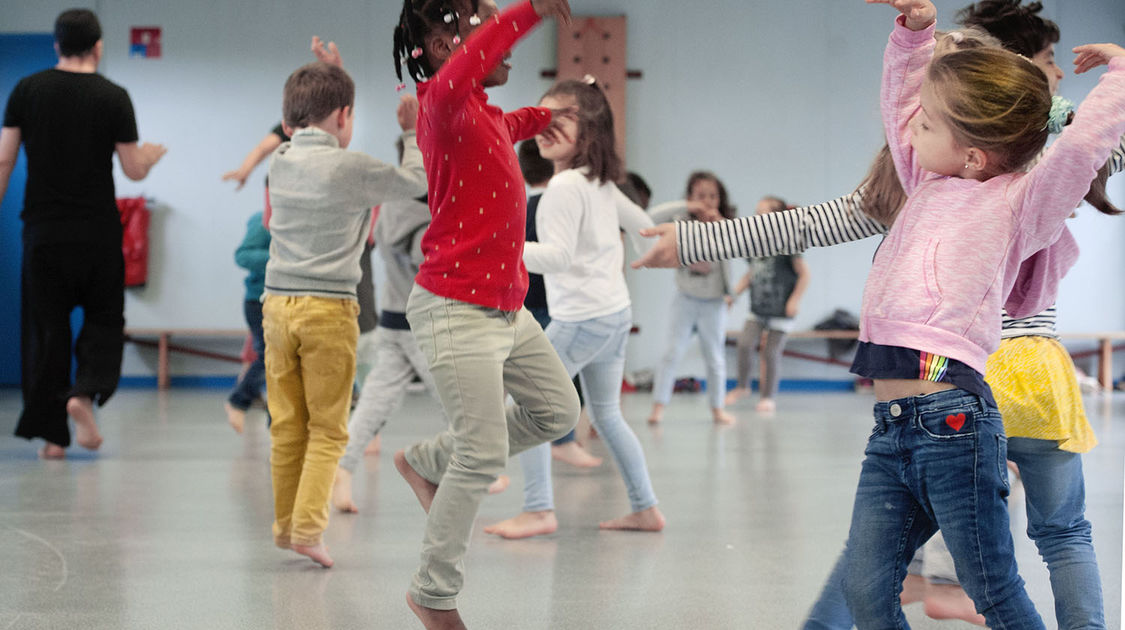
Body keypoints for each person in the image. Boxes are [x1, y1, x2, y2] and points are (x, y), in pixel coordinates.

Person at [390, 1, 578, 627]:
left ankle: (425, 462)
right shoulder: (440, 102)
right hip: (454, 306)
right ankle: (432, 593)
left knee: (558, 410)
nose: (508, 47)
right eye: (487, 32)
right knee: (484, 449)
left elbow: (508, 121)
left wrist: (548, 117)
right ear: (446, 49)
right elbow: (477, 59)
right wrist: (527, 10)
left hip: (506, 308)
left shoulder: (479, 113)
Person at [483, 78, 664, 540]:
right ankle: (645, 508)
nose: (543, 124)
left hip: (582, 319)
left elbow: (558, 257)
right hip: (613, 314)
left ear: (590, 131)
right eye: (540, 115)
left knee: (529, 403)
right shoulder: (597, 182)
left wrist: (498, 249)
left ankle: (539, 509)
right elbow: (646, 228)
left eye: (559, 117)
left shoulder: (564, 186)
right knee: (605, 414)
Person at [263, 60, 427, 568]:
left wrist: (326, 76)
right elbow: (415, 183)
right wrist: (412, 133)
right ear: (345, 116)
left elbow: (309, 137)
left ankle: (287, 526)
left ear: (291, 120)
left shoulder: (281, 161)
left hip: (276, 307)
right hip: (328, 312)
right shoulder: (352, 169)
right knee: (330, 428)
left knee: (288, 424)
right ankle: (309, 530)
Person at [0, 9, 166, 459]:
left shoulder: (25, 90)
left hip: (43, 233)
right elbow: (132, 170)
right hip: (96, 234)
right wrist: (150, 156)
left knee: (47, 333)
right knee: (104, 323)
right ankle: (83, 394)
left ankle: (54, 437)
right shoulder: (113, 96)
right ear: (98, 46)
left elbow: (4, 161)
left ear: (56, 45)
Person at [518, 138, 601, 469]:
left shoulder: (520, 207)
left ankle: (565, 437)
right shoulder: (557, 205)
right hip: (555, 305)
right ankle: (563, 440)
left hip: (526, 302)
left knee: (544, 377)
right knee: (558, 376)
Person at [646, 171, 736, 426]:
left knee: (714, 357)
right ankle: (658, 406)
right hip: (685, 299)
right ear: (689, 198)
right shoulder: (681, 222)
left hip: (714, 302)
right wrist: (686, 207)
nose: (707, 201)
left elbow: (730, 256)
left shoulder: (726, 225)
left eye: (713, 196)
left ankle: (717, 409)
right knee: (671, 353)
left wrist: (730, 294)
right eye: (700, 196)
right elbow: (651, 218)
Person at [724, 196, 810, 414]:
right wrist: (732, 296)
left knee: (770, 353)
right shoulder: (755, 246)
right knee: (744, 343)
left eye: (763, 212)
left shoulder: (788, 245)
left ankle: (767, 397)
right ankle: (743, 386)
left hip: (781, 310)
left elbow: (805, 275)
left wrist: (795, 300)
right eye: (756, 212)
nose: (757, 217)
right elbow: (750, 275)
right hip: (758, 309)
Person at [225, 210, 270, 433]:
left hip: (285, 302)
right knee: (270, 356)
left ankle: (276, 421)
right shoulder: (262, 220)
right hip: (259, 302)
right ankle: (238, 400)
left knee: (280, 362)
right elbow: (242, 255)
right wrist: (281, 255)